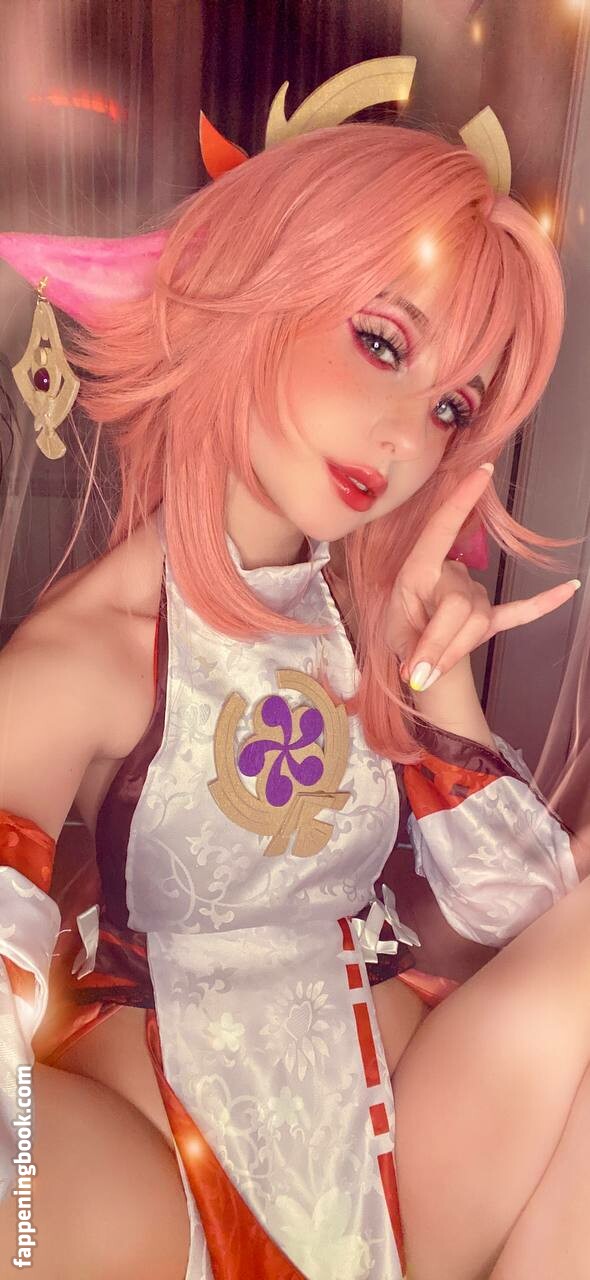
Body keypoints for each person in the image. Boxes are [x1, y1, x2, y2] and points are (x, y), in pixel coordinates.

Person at [0, 59, 587, 1280]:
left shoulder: (357, 622)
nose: (404, 434)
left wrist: (433, 681)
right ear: (249, 293)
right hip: (163, 1162)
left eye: (451, 406)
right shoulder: (85, 655)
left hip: (392, 1130)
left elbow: (526, 917)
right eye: (380, 341)